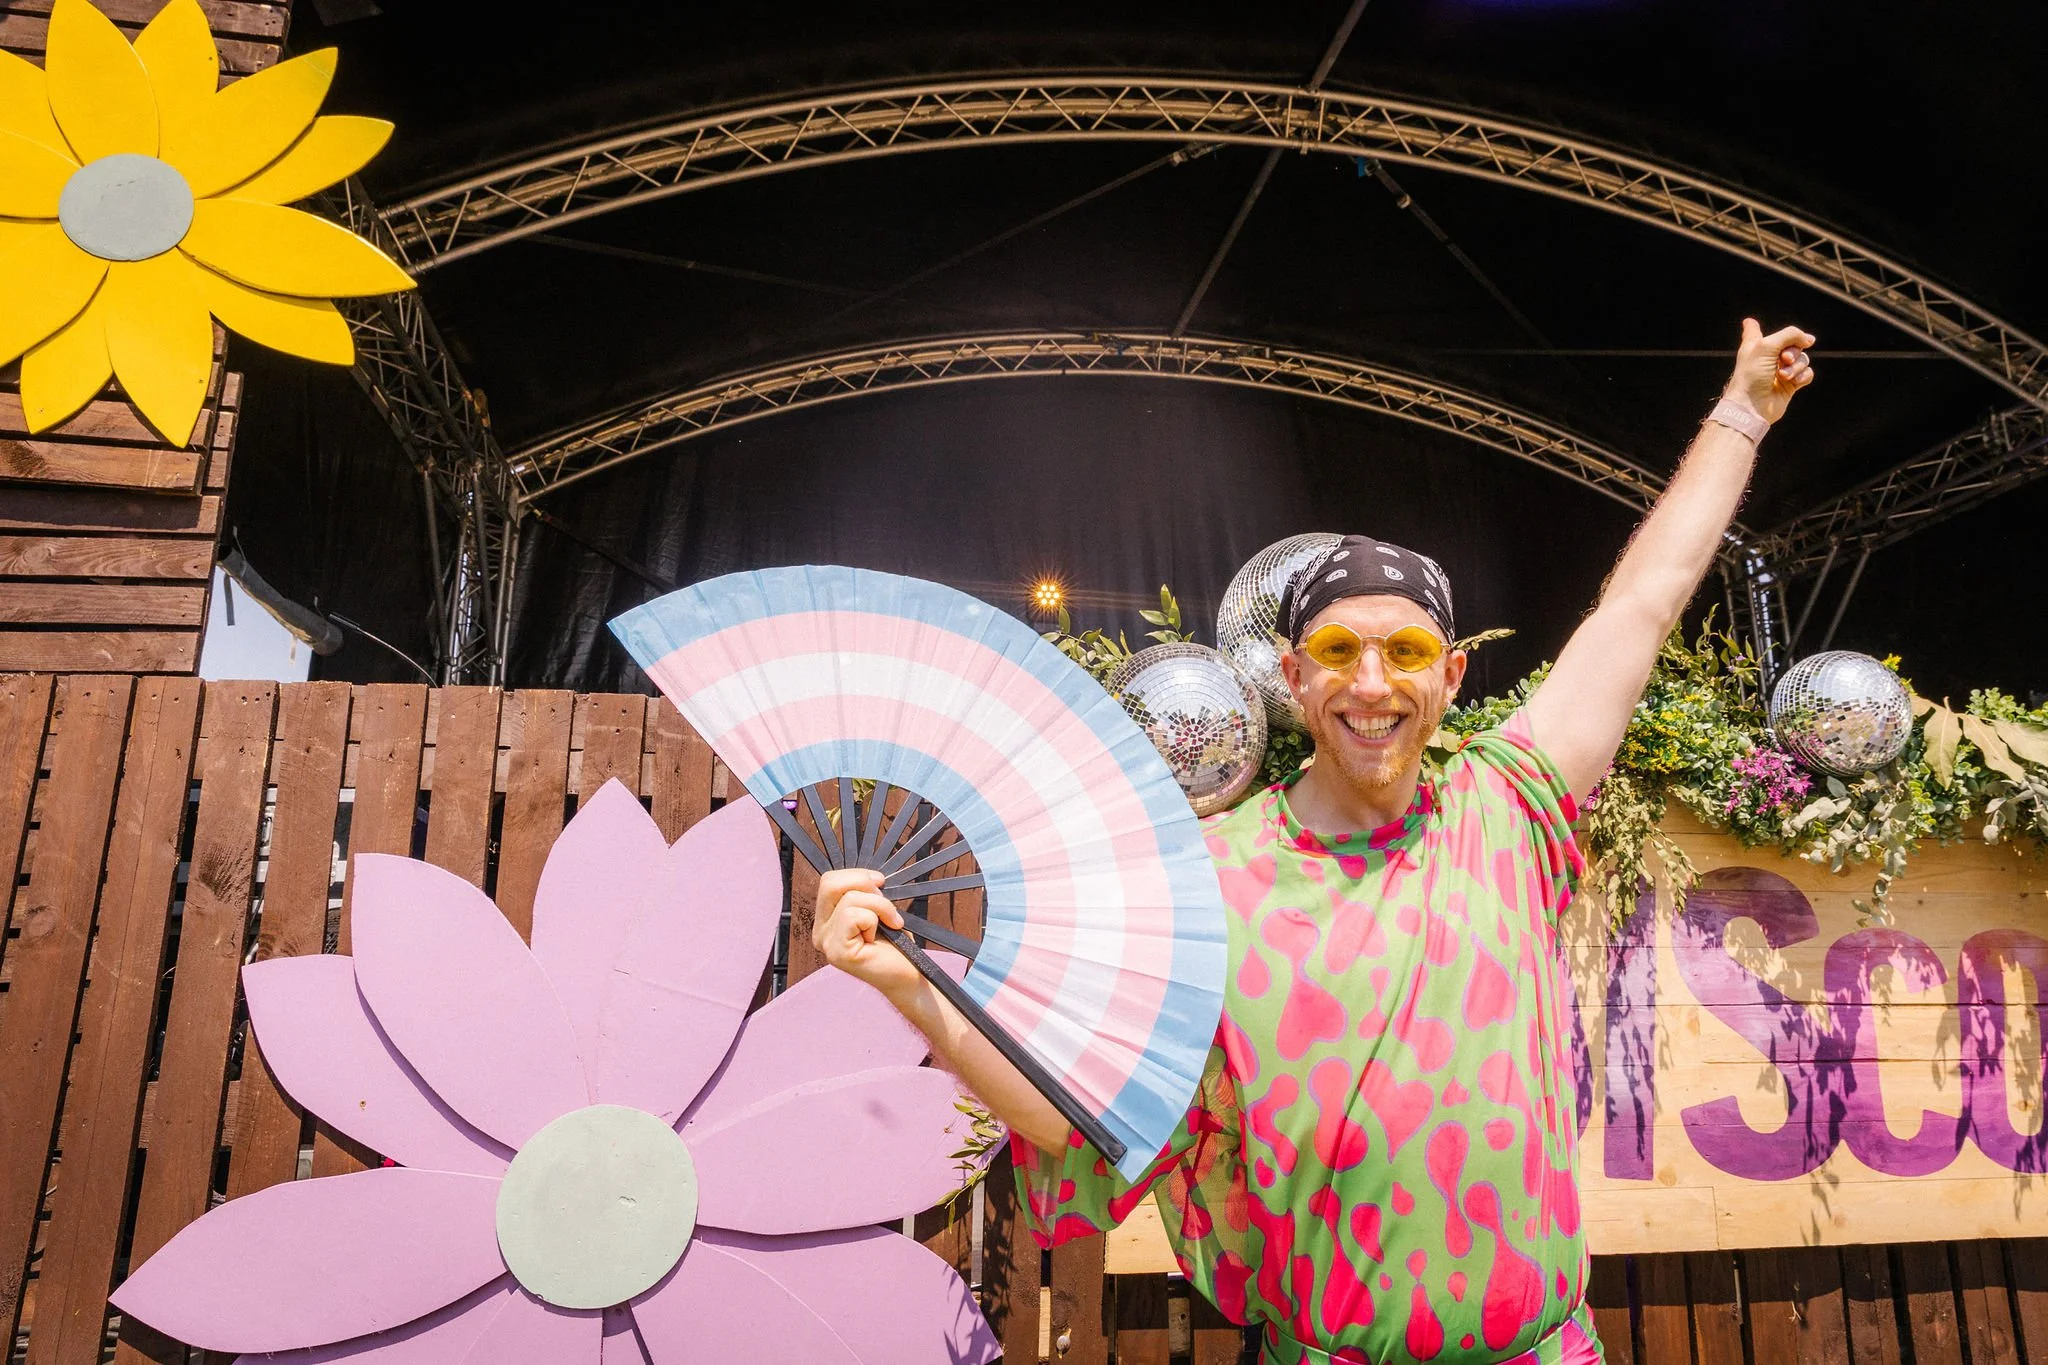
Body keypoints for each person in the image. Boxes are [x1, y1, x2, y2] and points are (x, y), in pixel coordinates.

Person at [812, 320, 1817, 1364]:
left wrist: (1740, 415)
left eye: (1405, 651)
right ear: (1292, 679)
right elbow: (1081, 1121)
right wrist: (907, 982)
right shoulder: (1210, 876)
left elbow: (1640, 607)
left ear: (1449, 678)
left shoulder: (1505, 807)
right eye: (1338, 650)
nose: (1372, 684)